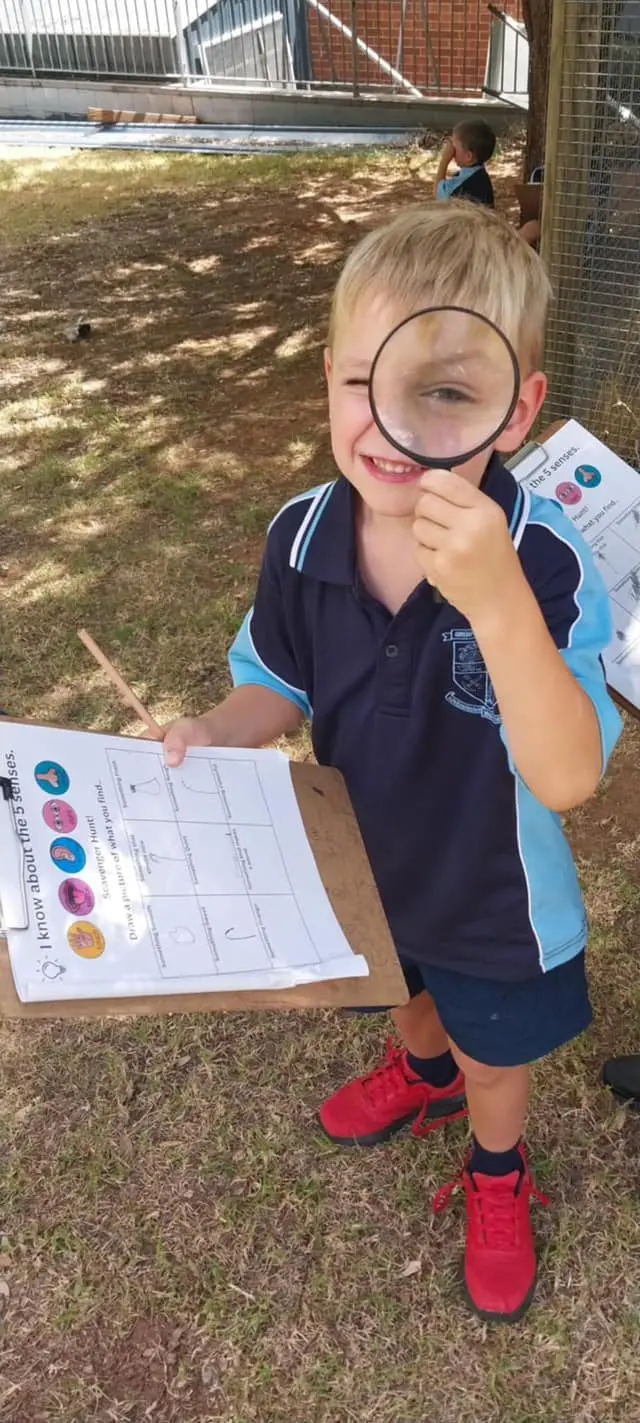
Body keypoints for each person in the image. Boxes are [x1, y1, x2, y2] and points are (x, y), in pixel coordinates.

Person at [163, 203, 621, 1324]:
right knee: (409, 996)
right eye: (362, 380)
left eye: (445, 392)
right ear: (326, 376)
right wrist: (220, 730)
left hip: (490, 888)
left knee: (494, 1051)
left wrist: (497, 597)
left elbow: (566, 778)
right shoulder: (303, 534)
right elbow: (281, 677)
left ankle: (497, 1165)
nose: (389, 422)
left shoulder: (547, 566)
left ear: (516, 411)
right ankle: (419, 1075)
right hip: (365, 866)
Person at [434, 120, 496, 207]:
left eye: (454, 146)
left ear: (468, 156)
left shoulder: (467, 183)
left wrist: (444, 161)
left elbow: (438, 194)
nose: (451, 149)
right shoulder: (478, 174)